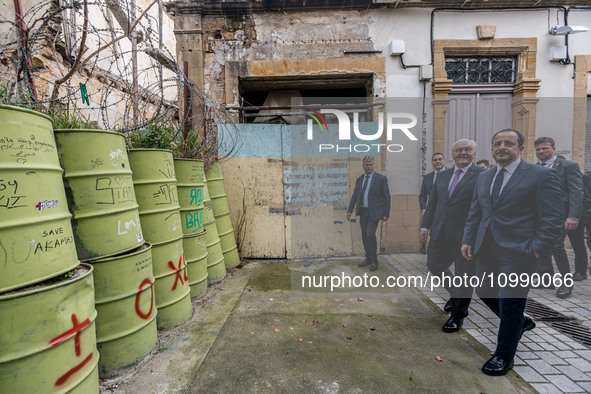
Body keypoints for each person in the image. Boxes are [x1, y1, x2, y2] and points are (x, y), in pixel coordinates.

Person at [461, 129, 563, 376]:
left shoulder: (541, 175)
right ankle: (522, 322)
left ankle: (503, 357)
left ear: (520, 147)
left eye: (509, 143)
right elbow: (477, 211)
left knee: (511, 301)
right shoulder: (484, 178)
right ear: (492, 148)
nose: (502, 147)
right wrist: (468, 239)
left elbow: (553, 217)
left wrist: (537, 249)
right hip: (486, 247)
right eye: (497, 143)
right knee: (484, 291)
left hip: (520, 251)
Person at [420, 139, 484, 332]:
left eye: (467, 150)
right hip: (440, 233)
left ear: (474, 153)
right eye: (458, 150)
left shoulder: (483, 175)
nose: (463, 153)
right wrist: (425, 227)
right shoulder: (443, 176)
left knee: (465, 276)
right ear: (453, 154)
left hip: (466, 237)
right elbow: (433, 204)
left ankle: (458, 315)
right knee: (434, 265)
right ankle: (456, 295)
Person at [534, 137, 585, 296]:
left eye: (545, 148)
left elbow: (576, 192)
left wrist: (573, 216)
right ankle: (546, 279)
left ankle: (566, 284)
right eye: (538, 149)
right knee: (542, 246)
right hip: (539, 216)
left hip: (560, 215)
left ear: (553, 149)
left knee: (557, 247)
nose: (541, 151)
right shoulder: (533, 168)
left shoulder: (567, 166)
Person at [347, 156, 391, 272]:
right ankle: (368, 258)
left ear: (374, 165)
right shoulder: (360, 179)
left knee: (370, 235)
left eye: (371, 165)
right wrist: (350, 210)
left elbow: (387, 197)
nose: (369, 167)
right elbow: (355, 196)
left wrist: (386, 213)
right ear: (363, 166)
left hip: (375, 212)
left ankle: (374, 261)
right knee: (364, 236)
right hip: (363, 211)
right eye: (367, 165)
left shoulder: (381, 179)